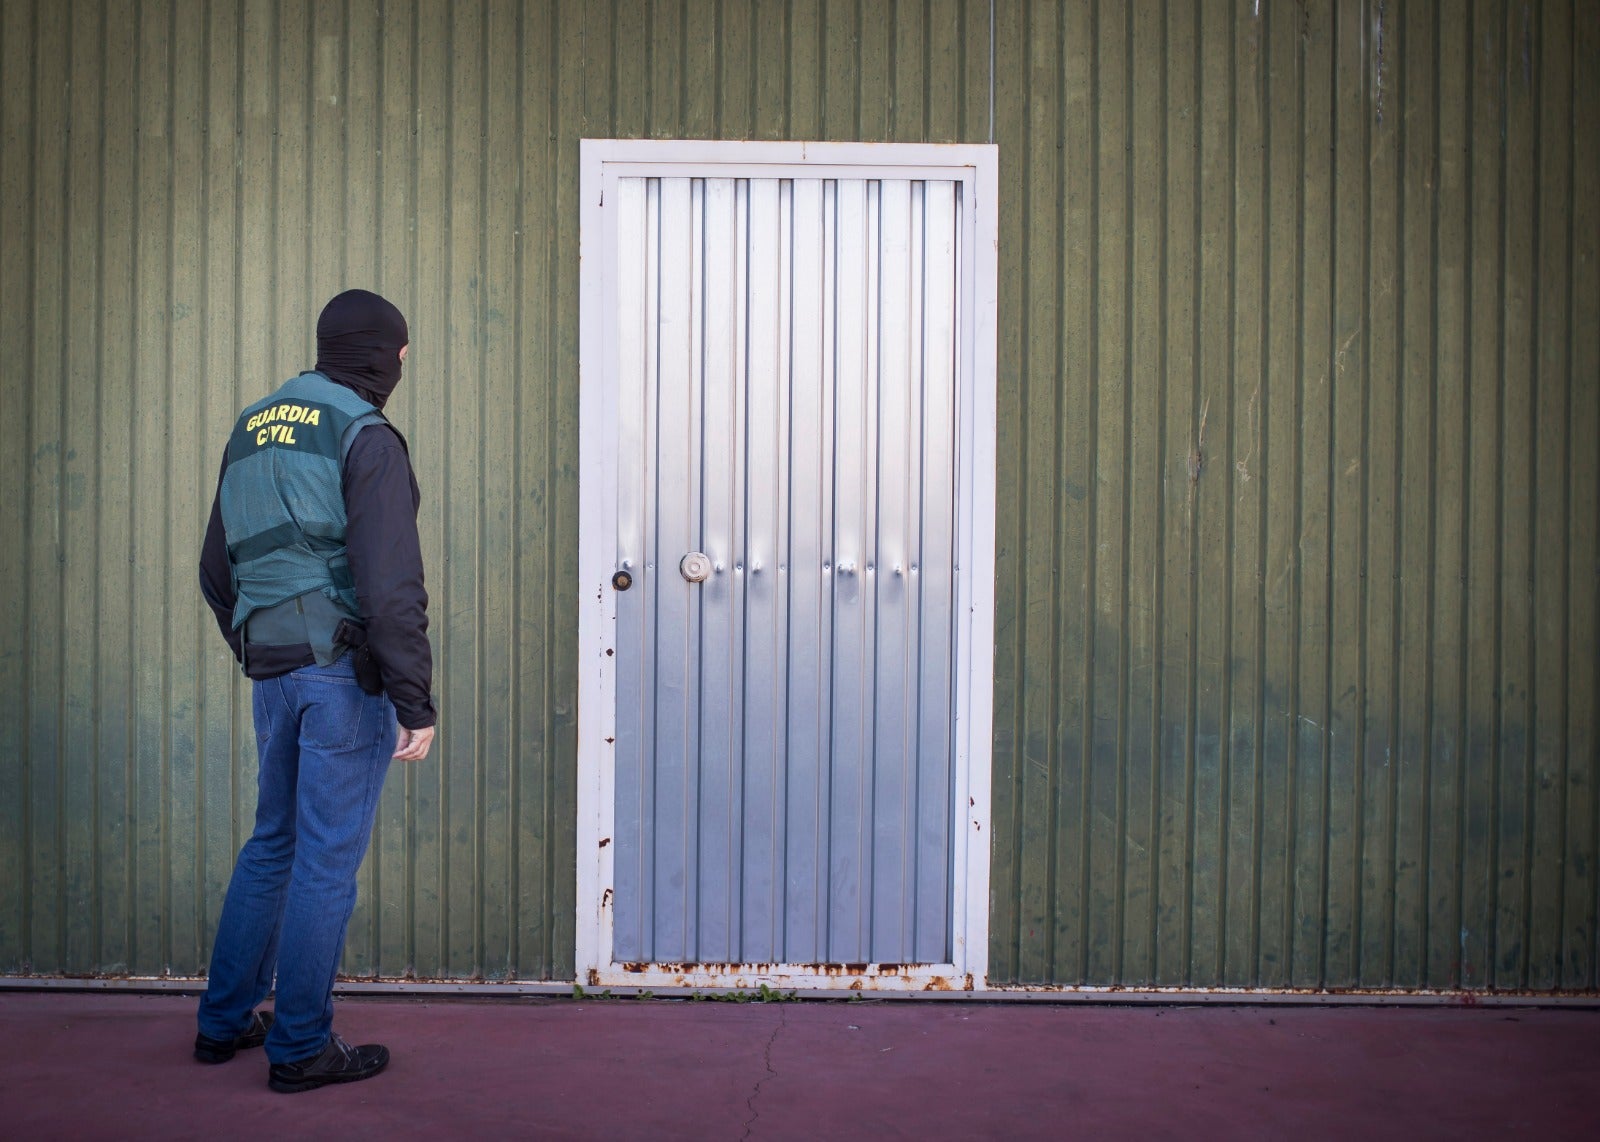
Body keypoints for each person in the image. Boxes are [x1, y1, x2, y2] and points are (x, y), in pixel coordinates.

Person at [193, 288, 437, 1094]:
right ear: (384, 353)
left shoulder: (252, 426)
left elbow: (216, 571)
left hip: (275, 668)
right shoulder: (364, 434)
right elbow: (390, 582)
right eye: (401, 353)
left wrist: (261, 646)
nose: (402, 365)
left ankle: (223, 1023)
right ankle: (299, 1046)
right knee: (326, 861)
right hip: (342, 674)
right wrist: (414, 700)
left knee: (273, 844)